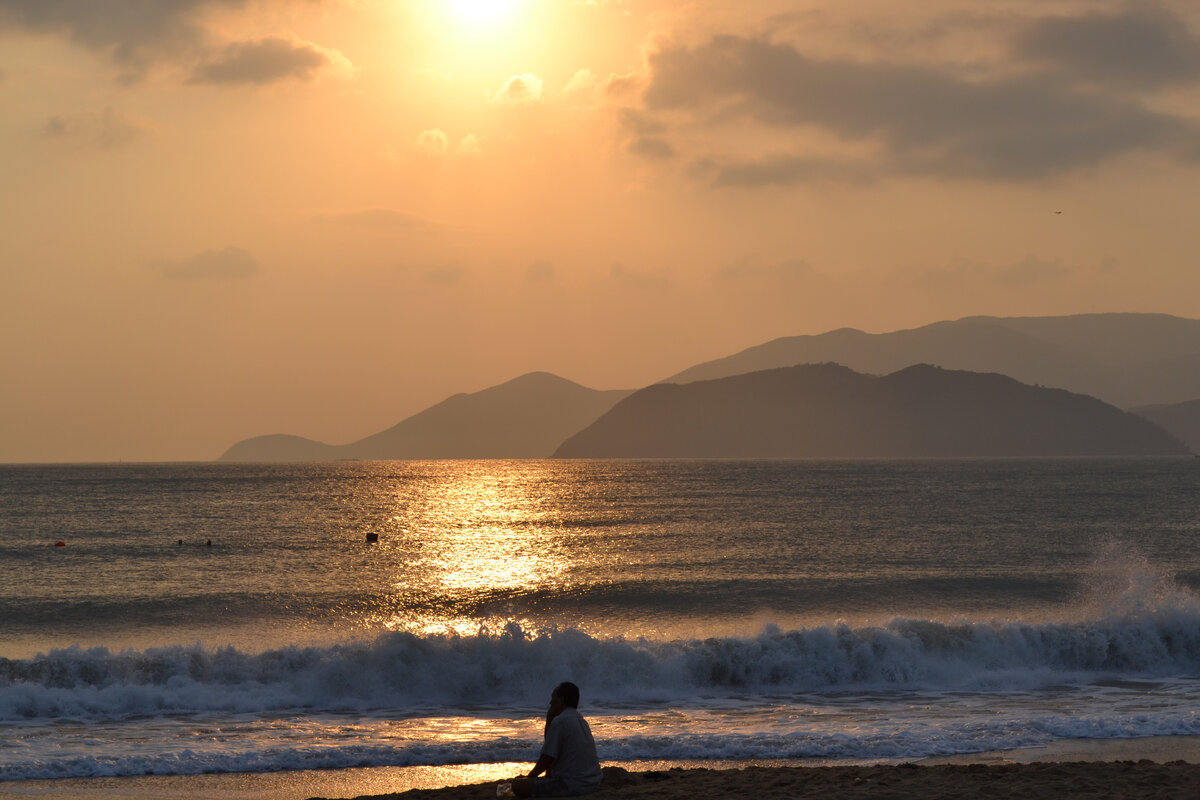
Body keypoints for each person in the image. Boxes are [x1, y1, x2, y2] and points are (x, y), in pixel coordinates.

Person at [511, 682, 602, 797]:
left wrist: (530, 777)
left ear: (561, 700)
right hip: (593, 782)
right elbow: (552, 750)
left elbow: (547, 758)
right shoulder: (581, 720)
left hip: (572, 784)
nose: (550, 702)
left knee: (516, 786)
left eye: (553, 698)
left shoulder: (560, 722)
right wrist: (549, 719)